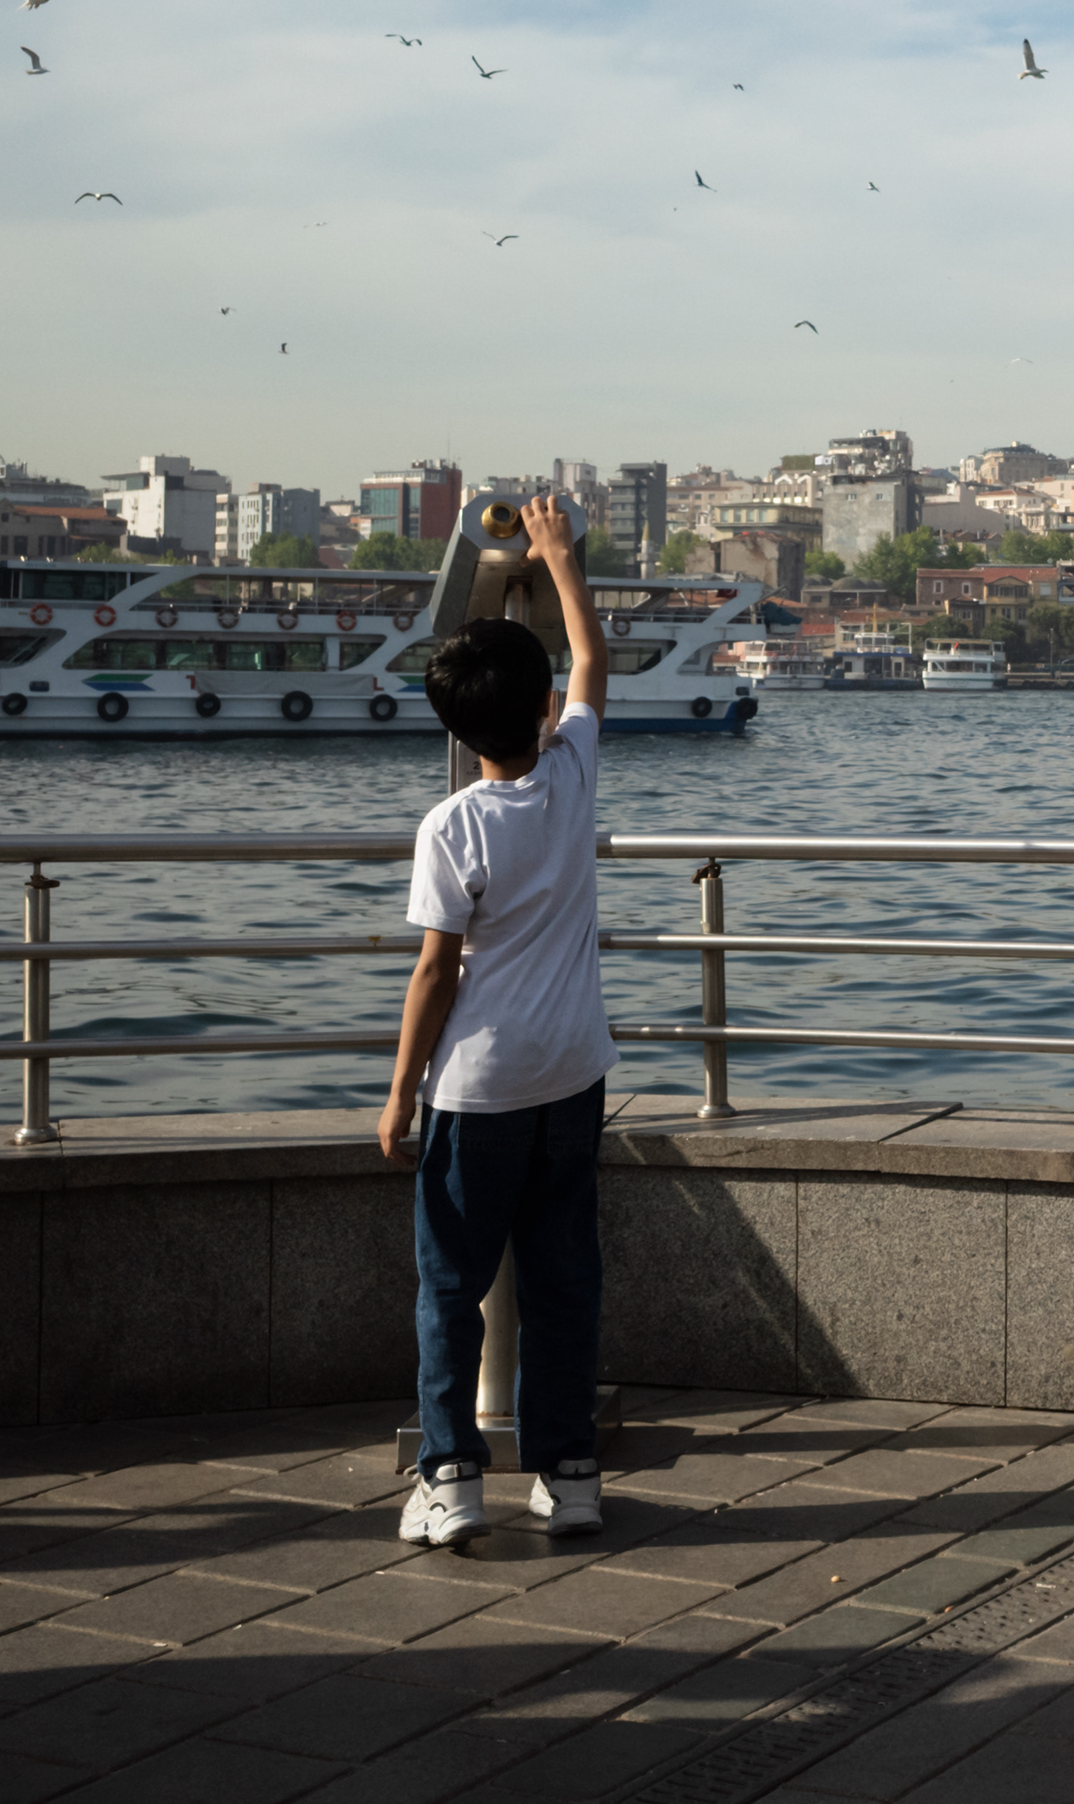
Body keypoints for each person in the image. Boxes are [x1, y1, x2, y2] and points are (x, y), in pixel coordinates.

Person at [380, 492, 614, 1552]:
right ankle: (568, 1474)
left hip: (477, 1092)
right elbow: (592, 664)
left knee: (448, 1291)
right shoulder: (571, 775)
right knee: (563, 1279)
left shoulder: (451, 826)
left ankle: (450, 1477)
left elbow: (435, 975)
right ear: (539, 711)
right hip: (572, 1074)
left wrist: (396, 1096)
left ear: (453, 726)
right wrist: (561, 559)